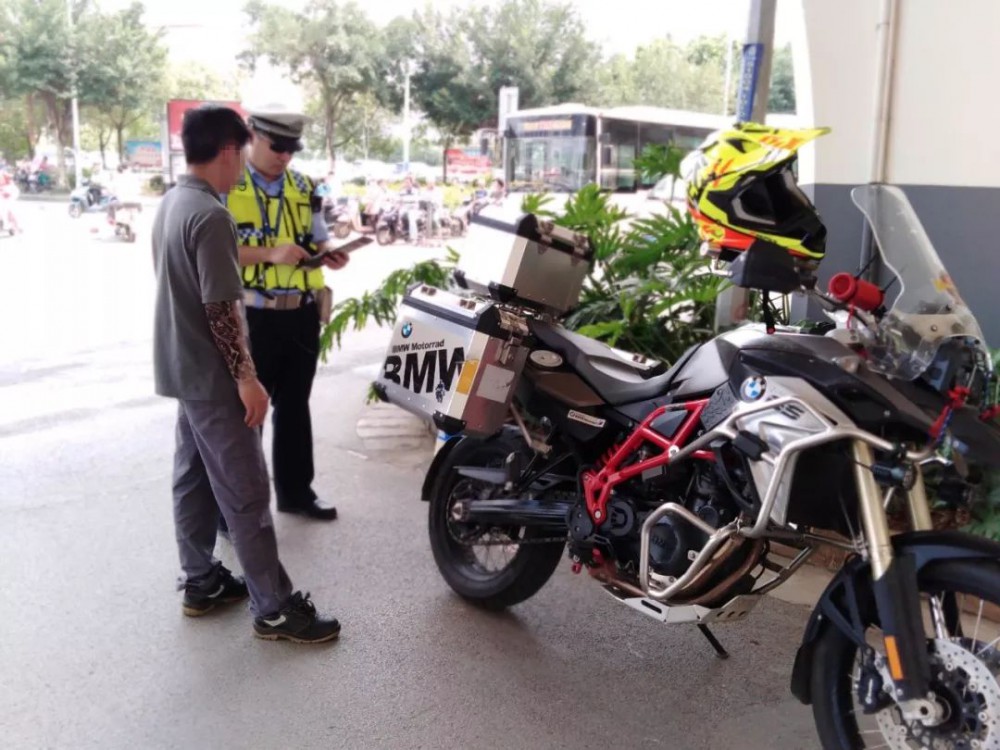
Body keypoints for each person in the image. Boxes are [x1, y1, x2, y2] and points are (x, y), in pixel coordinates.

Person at [151, 104, 340, 643]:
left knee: (191, 479)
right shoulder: (211, 215)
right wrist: (246, 378)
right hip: (212, 376)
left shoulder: (173, 202)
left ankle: (201, 580)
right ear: (231, 150)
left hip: (180, 366)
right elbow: (220, 309)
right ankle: (275, 607)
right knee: (247, 493)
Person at [225, 105, 350, 521]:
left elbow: (319, 240)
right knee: (246, 413)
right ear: (252, 136)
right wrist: (270, 254)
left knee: (296, 406)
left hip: (299, 314)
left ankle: (296, 492)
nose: (285, 156)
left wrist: (330, 254)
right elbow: (212, 253)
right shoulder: (227, 185)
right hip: (250, 317)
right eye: (277, 147)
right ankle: (234, 508)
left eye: (292, 149)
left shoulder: (303, 186)